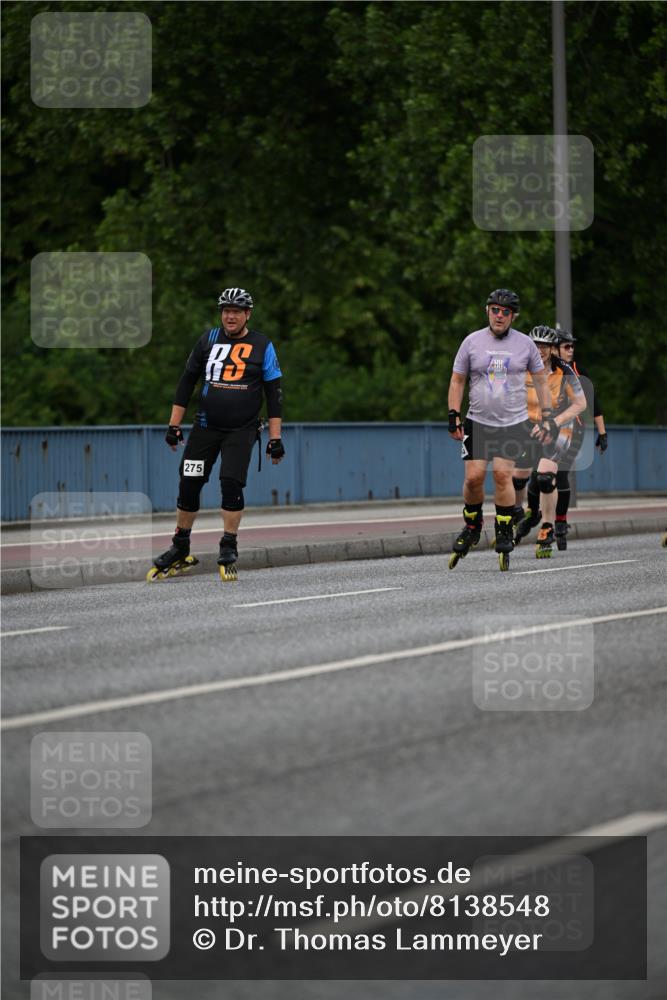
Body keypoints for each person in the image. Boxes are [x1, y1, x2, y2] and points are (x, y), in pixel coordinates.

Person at [147, 287, 285, 582]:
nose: (230, 316)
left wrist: (275, 439)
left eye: (236, 311)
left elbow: (274, 395)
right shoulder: (207, 340)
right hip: (205, 427)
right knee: (189, 483)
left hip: (241, 429)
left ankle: (228, 546)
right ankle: (180, 547)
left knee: (230, 483)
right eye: (226, 311)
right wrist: (173, 426)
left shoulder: (263, 344)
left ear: (247, 314)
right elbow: (186, 383)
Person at [447, 288, 555, 571]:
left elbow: (541, 381)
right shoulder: (471, 342)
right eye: (494, 310)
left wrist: (546, 416)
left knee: (502, 475)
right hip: (478, 421)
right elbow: (458, 380)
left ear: (513, 316)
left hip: (512, 423)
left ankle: (504, 526)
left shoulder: (525, 345)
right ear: (487, 311)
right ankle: (472, 525)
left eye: (505, 312)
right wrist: (452, 414)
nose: (499, 315)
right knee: (474, 478)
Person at [512, 327, 587, 557]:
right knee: (518, 477)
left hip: (561, 426)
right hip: (531, 425)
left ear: (553, 349)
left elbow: (581, 403)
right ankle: (519, 512)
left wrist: (554, 421)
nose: (540, 350)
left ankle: (547, 527)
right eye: (536, 345)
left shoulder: (563, 370)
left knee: (545, 475)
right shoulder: (520, 368)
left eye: (545, 346)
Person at [552, 329, 607, 548]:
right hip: (546, 431)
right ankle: (534, 514)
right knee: (540, 478)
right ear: (554, 349)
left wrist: (602, 434)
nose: (571, 350)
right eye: (566, 346)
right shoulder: (542, 370)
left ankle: (560, 522)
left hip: (572, 431)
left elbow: (594, 403)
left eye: (572, 346)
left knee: (561, 475)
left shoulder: (577, 371)